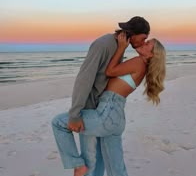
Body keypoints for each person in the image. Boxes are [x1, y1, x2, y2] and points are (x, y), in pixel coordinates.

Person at [52, 16, 151, 176]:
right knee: (92, 161)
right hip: (91, 107)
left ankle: (78, 165)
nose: (144, 42)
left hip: (102, 111)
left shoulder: (120, 46)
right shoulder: (104, 44)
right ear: (133, 33)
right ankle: (77, 164)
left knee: (100, 161)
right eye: (144, 38)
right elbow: (84, 78)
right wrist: (75, 113)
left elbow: (109, 76)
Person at [67, 31, 166, 176]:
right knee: (116, 167)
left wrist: (121, 48)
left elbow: (110, 71)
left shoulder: (139, 62)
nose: (143, 43)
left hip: (108, 111)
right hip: (116, 115)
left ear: (151, 54)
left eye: (147, 43)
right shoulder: (141, 65)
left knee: (58, 123)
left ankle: (77, 164)